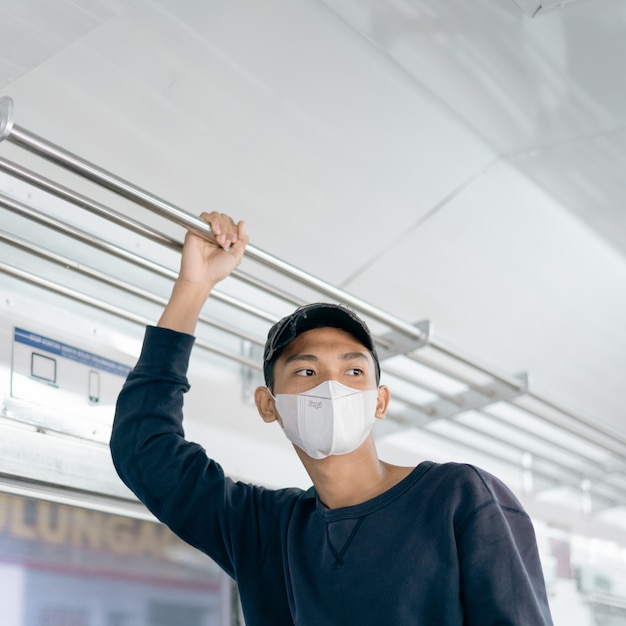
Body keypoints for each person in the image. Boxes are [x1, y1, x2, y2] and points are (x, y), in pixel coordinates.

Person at [110, 212, 554, 625]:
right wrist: (193, 286)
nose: (331, 386)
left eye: (353, 371)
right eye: (306, 371)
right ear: (269, 405)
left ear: (379, 402)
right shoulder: (265, 532)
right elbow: (144, 449)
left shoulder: (459, 499)